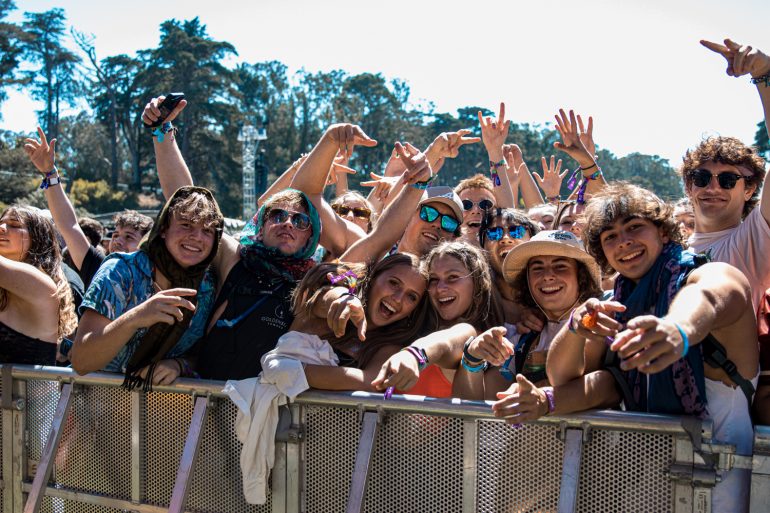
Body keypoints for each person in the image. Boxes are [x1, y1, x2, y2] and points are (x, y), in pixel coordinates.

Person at [548, 182, 758, 513]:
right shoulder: (615, 305)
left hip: (721, 488)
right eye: (610, 237)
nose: (623, 241)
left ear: (663, 232)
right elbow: (565, 380)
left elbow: (710, 296)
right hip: (646, 484)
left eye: (634, 227)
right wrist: (575, 326)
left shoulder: (710, 273)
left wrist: (677, 329)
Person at [72, 187, 224, 388]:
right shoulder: (121, 270)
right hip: (99, 402)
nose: (197, 236)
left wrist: (179, 365)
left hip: (163, 406)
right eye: (186, 225)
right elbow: (81, 360)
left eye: (207, 230)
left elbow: (205, 354)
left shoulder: (206, 287)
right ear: (163, 229)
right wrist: (136, 318)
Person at [683, 38, 770, 314]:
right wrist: (589, 167)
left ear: (750, 189)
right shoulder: (669, 248)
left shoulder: (754, 239)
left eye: (728, 180)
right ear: (689, 186)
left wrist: (764, 73)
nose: (713, 187)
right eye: (701, 178)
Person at [24, 125, 153, 288]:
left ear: (147, 245)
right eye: (115, 235)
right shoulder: (99, 267)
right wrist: (50, 173)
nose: (117, 241)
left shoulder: (156, 281)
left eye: (129, 237)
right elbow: (69, 225)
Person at [372, 241, 504, 397]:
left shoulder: (472, 336)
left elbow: (445, 343)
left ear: (478, 285)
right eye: (434, 279)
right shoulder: (410, 327)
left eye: (452, 277)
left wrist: (414, 355)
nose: (440, 288)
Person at [0, 205, 77, 364]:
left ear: (37, 238)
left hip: (25, 381)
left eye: (14, 225)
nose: (2, 228)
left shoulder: (40, 283)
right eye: (1, 223)